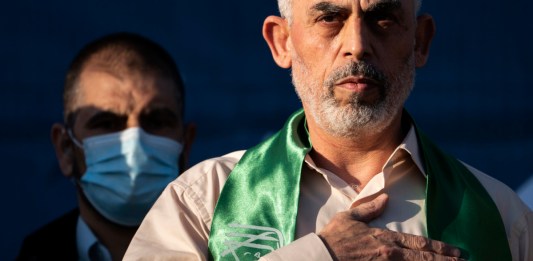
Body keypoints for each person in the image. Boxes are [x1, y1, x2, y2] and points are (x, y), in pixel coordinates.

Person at [124, 0, 532, 260]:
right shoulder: (203, 203)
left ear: (420, 42)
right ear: (281, 42)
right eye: (329, 18)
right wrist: (319, 256)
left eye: (382, 18)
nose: (356, 43)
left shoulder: (503, 217)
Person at [17, 32, 195, 261]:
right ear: (65, 148)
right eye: (107, 124)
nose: (134, 144)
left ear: (186, 144)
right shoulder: (34, 254)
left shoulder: (228, 251)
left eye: (157, 122)